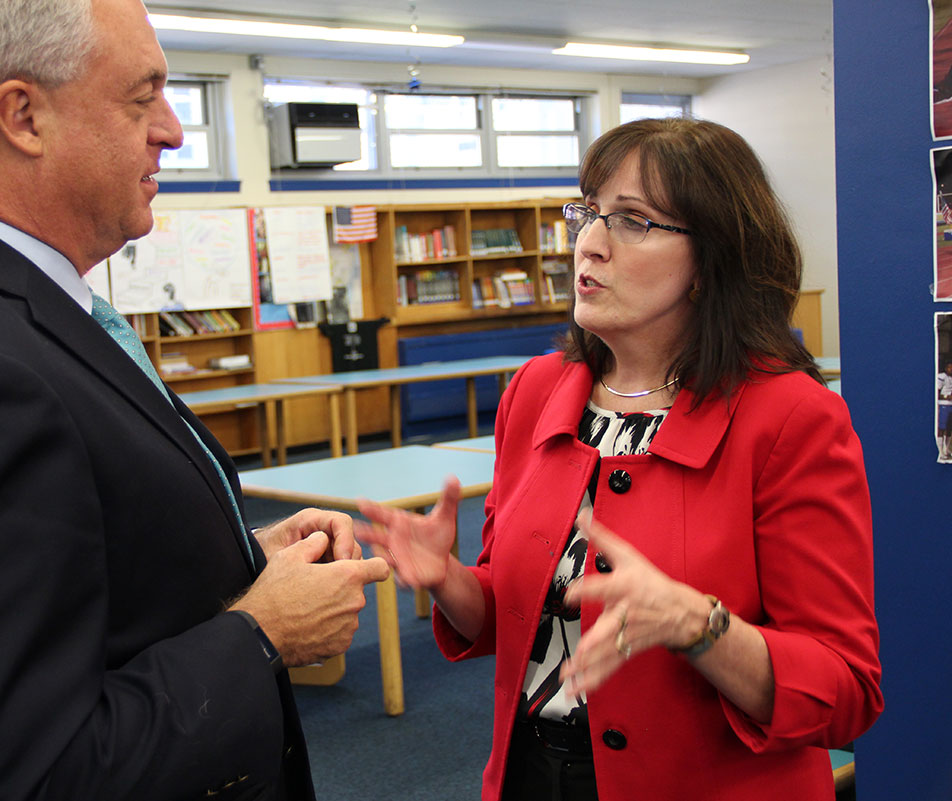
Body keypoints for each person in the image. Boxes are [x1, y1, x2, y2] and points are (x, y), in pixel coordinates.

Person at [0, 1, 389, 799]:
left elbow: (77, 550)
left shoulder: (13, 303)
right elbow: (30, 773)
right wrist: (262, 630)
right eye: (142, 97)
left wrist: (237, 556)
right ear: (23, 116)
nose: (172, 130)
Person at [357, 117, 882, 801]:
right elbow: (525, 612)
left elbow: (845, 689)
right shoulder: (537, 392)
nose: (590, 244)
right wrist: (451, 580)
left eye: (633, 221)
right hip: (530, 774)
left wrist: (700, 624)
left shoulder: (789, 418)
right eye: (589, 211)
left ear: (712, 258)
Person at [938, 360, 952, 462]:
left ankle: (946, 451)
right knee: (941, 428)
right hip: (944, 405)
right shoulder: (942, 376)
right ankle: (940, 451)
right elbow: (936, 392)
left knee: (949, 429)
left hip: (951, 405)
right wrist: (947, 397)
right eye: (949, 367)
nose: (950, 369)